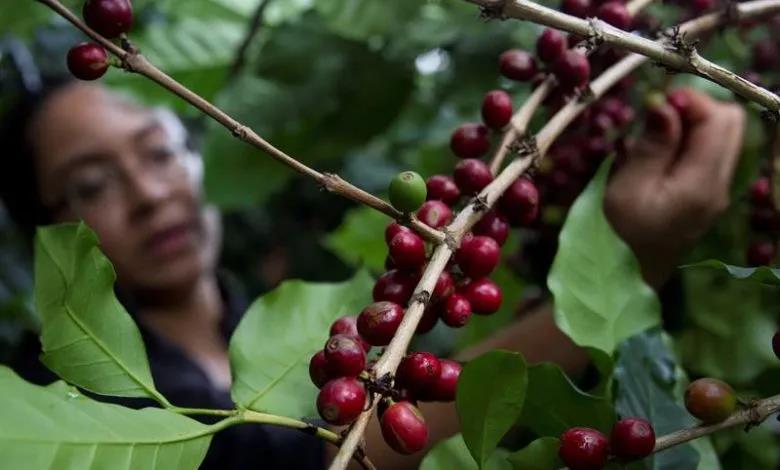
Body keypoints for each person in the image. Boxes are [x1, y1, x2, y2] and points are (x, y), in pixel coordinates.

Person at [0, 76, 744, 469]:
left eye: (159, 151)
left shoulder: (275, 325)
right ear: (44, 229)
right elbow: (324, 459)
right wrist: (631, 255)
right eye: (92, 184)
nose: (151, 193)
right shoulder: (68, 391)